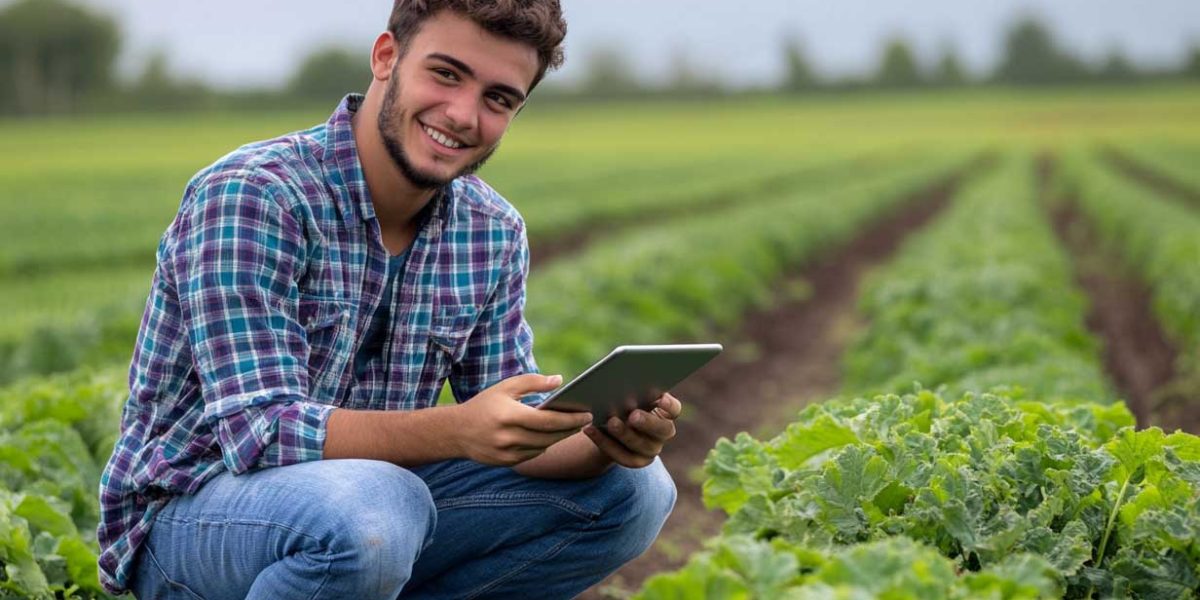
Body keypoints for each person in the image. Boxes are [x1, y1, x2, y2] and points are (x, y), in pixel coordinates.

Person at [96, 1, 680, 597]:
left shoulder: (491, 230)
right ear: (385, 58)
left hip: (368, 519)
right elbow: (259, 432)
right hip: (191, 519)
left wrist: (603, 440)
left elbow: (511, 437)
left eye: (498, 99)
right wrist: (454, 430)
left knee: (635, 492)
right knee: (376, 505)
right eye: (446, 74)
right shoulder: (256, 195)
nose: (462, 115)